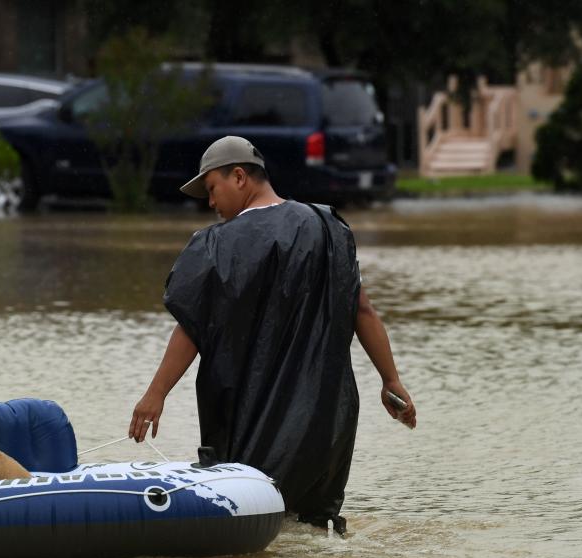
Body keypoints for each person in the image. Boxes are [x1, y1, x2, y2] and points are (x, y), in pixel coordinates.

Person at [128, 136, 416, 534]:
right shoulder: (327, 228)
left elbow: (192, 327)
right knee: (318, 532)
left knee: (254, 528)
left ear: (240, 177)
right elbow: (361, 309)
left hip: (253, 420)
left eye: (212, 189)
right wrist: (390, 380)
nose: (211, 203)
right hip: (328, 420)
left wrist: (155, 394)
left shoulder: (216, 246)